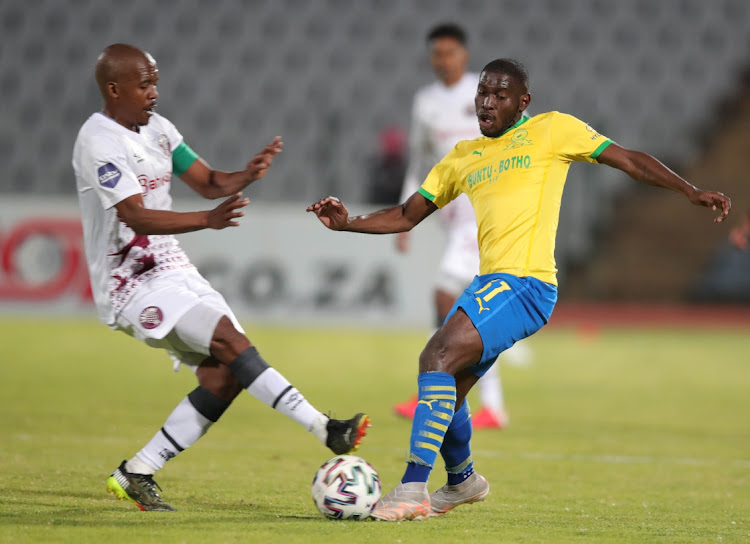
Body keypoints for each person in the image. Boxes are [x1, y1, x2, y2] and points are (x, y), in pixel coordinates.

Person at [307, 58, 731, 521]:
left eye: (499, 95)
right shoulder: (462, 156)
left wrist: (689, 190)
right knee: (445, 388)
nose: (486, 102)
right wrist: (348, 223)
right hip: (490, 283)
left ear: (522, 102)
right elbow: (407, 215)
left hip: (527, 283)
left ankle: (411, 489)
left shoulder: (553, 130)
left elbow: (629, 160)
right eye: (482, 93)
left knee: (435, 358)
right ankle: (463, 479)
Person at [73, 43, 370, 512]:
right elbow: (136, 216)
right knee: (230, 341)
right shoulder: (99, 141)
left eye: (155, 81)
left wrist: (245, 175)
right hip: (128, 280)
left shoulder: (160, 130)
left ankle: (137, 472)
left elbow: (208, 180)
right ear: (114, 88)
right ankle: (325, 428)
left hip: (171, 267)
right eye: (144, 84)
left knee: (225, 376)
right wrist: (206, 221)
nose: (154, 92)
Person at [392, 23, 529, 430]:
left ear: (463, 55)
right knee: (474, 304)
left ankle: (438, 384)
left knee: (447, 294)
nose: (443, 60)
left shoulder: (488, 91)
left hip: (485, 213)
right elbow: (418, 162)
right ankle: (484, 401)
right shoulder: (426, 102)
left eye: (450, 52)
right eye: (437, 53)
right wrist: (405, 220)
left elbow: (528, 135)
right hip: (454, 219)